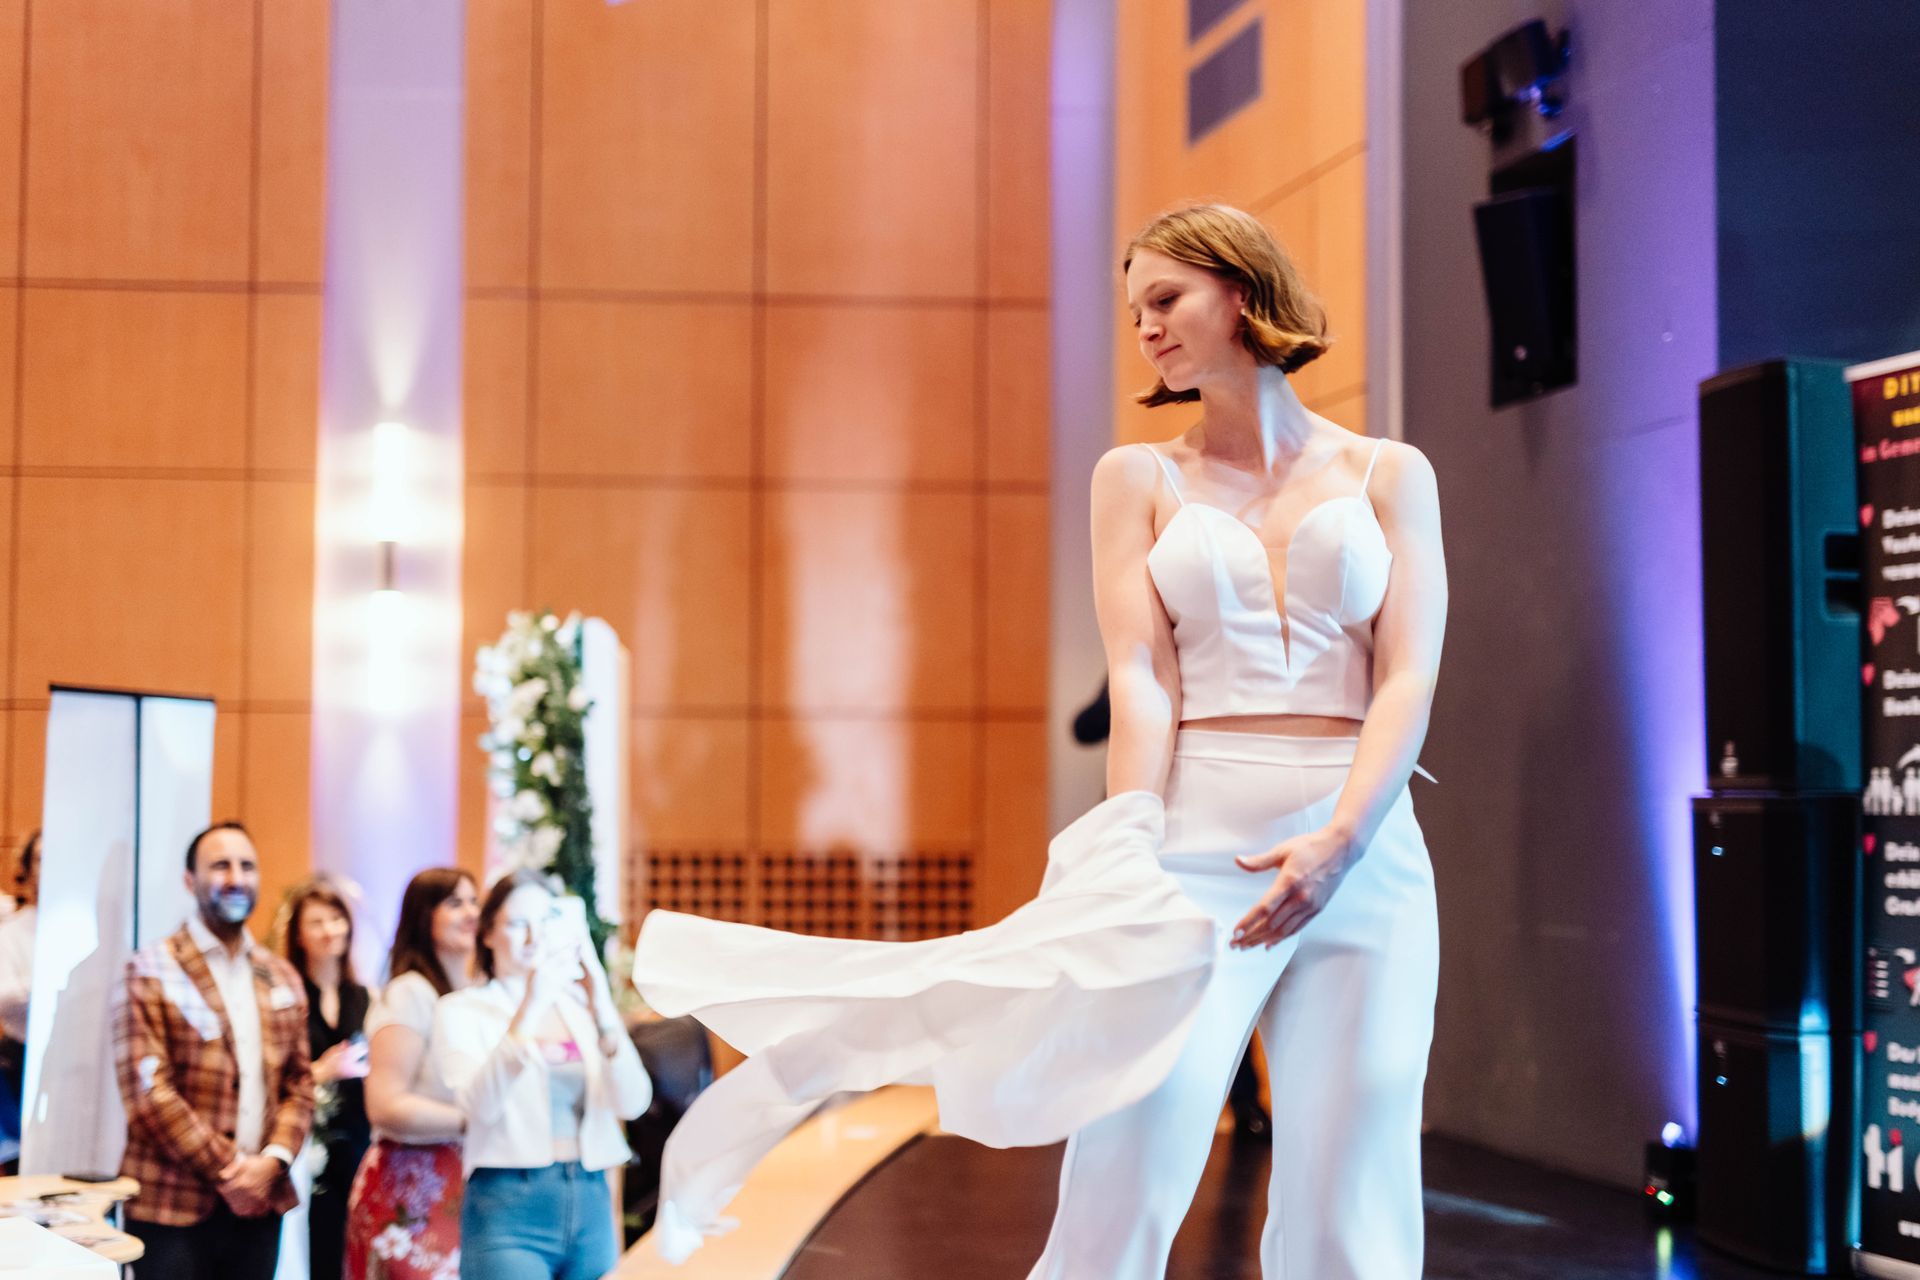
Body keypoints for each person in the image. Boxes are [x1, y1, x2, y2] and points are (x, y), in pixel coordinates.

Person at [636, 202, 1445, 1278]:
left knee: (1357, 1202)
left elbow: (1409, 673)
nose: (1145, 327)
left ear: (1241, 290)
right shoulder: (1137, 478)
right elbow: (1142, 679)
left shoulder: (1392, 472)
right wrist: (1127, 844)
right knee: (1129, 1168)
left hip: (1368, 850)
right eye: (1134, 309)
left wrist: (1344, 839)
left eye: (1166, 299)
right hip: (1193, 843)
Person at [113, 822, 316, 1278]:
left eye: (247, 866)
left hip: (261, 1203)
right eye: (220, 866)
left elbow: (300, 1084)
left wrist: (274, 1161)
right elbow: (148, 1094)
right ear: (190, 880)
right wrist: (233, 1171)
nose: (236, 878)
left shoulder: (280, 974)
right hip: (173, 1206)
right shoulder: (151, 967)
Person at [432, 870, 651, 1280]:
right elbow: (477, 1107)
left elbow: (634, 1101)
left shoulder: (579, 1008)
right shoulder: (461, 1010)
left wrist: (602, 1007)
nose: (534, 937)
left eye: (545, 921)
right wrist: (530, 1007)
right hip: (508, 1202)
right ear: (487, 933)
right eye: (518, 924)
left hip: (589, 1195)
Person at [345, 867, 480, 1280]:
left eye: (474, 901)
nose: (471, 913)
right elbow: (385, 1105)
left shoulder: (470, 994)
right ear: (424, 916)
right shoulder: (409, 993)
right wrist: (478, 1120)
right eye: (455, 903)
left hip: (465, 1185)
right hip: (410, 1192)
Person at [281, 878, 373, 1280]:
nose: (329, 931)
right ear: (299, 935)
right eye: (316, 922)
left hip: (359, 1138)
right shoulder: (289, 995)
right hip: (309, 1144)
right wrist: (323, 1070)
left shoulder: (363, 995)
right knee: (316, 1248)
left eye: (336, 919)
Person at [0, 830, 39, 1164]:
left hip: (81, 1064)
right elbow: (4, 996)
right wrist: (50, 982)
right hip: (22, 1061)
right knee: (22, 1161)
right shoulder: (11, 930)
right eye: (41, 858)